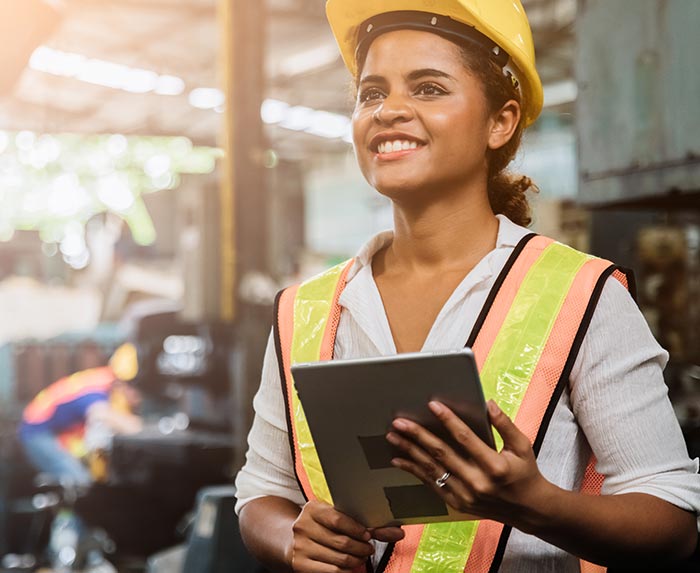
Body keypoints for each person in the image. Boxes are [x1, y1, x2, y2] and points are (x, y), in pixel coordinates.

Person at [234, 1, 700, 572]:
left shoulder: (583, 294)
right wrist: (290, 538)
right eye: (371, 93)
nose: (389, 111)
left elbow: (674, 519)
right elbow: (262, 490)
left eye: (428, 88)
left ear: (500, 122)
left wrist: (538, 505)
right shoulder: (303, 310)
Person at [19, 342, 143, 486]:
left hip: (53, 431)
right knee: (78, 482)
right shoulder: (97, 388)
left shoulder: (108, 383)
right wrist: (142, 428)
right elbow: (102, 414)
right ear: (124, 383)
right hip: (37, 434)